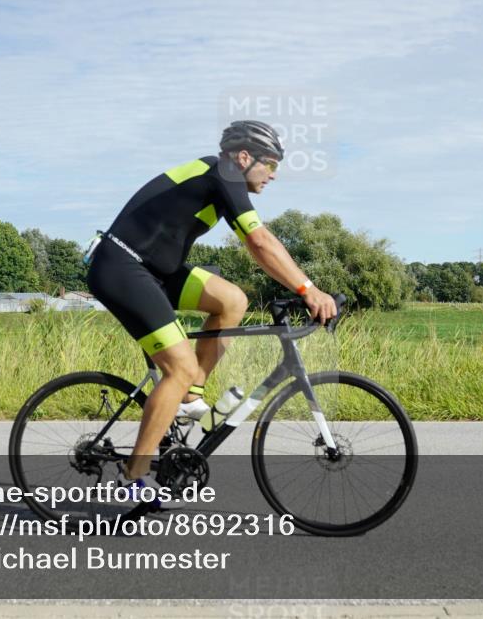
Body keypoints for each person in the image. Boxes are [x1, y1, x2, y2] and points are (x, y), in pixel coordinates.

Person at [86, 120, 337, 487]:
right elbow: (260, 242)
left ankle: (190, 399)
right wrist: (308, 289)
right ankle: (133, 474)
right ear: (245, 157)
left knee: (232, 300)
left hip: (154, 270)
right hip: (121, 267)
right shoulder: (223, 172)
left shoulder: (221, 177)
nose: (274, 175)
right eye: (272, 164)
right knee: (179, 368)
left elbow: (256, 243)